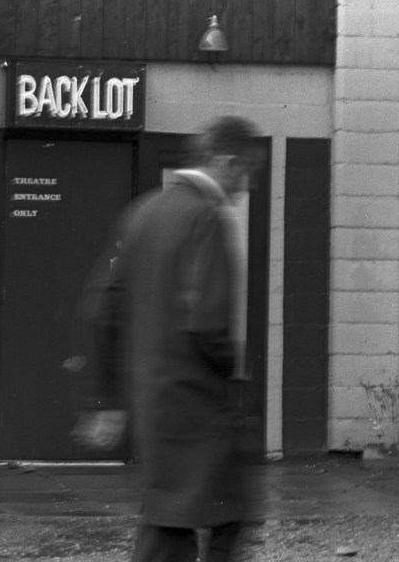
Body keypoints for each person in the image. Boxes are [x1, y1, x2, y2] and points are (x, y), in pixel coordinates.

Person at [73, 115, 263, 562]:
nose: (247, 184)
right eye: (246, 171)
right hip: (202, 404)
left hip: (153, 405)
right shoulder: (207, 218)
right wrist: (235, 369)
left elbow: (101, 307)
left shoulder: (143, 212)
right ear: (225, 162)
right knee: (226, 514)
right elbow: (207, 322)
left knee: (168, 520)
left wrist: (105, 399)